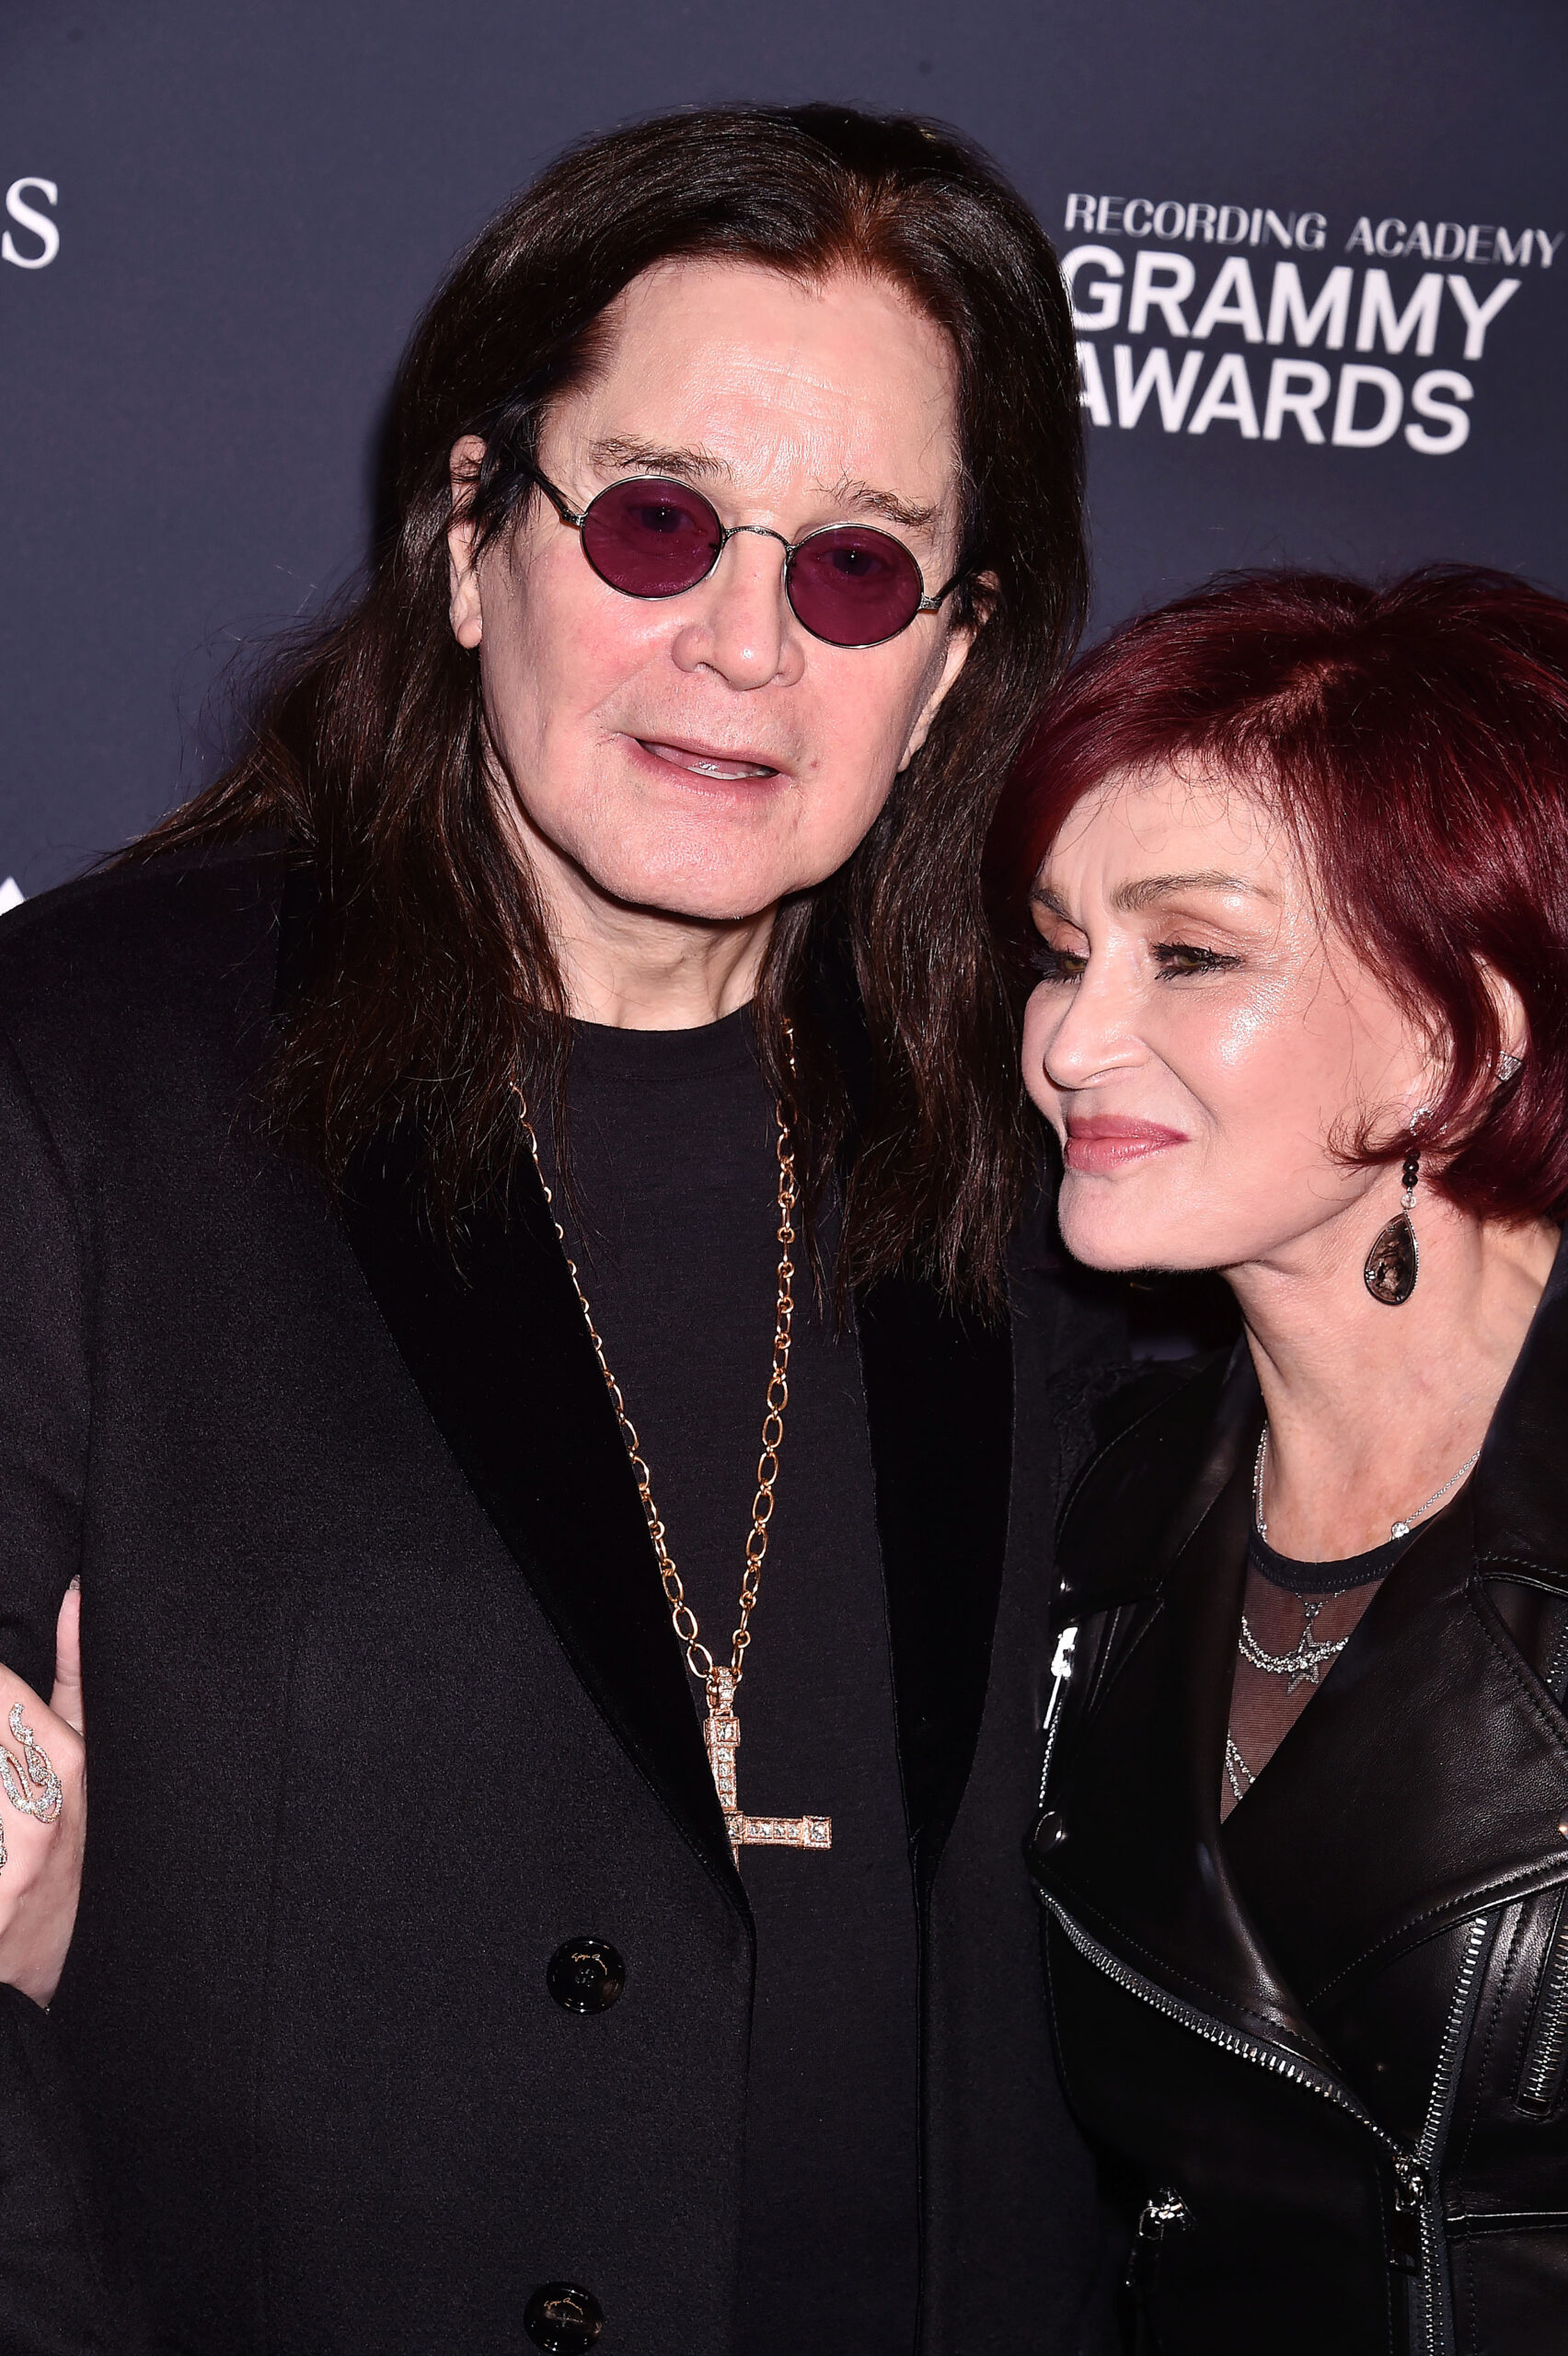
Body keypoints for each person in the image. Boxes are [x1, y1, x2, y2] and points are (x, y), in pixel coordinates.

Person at [0, 105, 1126, 2354]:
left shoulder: (1061, 1153)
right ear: (468, 539)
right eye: (653, 521)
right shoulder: (87, 1065)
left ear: (947, 663)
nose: (743, 645)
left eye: (856, 570)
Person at [1002, 566, 1568, 2355]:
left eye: (1188, 953)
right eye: (1060, 950)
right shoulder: (1101, 1504)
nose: (1069, 1040)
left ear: (1460, 1029)